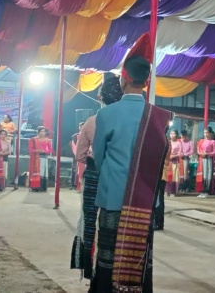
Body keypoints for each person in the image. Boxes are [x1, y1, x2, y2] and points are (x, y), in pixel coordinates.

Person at [87, 33, 171, 292]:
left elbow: (99, 158)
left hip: (113, 196)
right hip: (143, 203)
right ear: (146, 82)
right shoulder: (159, 117)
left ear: (124, 78)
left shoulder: (106, 114)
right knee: (136, 259)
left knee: (108, 258)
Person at [70, 76, 124, 280]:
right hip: (118, 173)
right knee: (114, 218)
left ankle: (89, 268)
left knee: (90, 219)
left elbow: (80, 155)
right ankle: (112, 268)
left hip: (94, 174)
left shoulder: (93, 121)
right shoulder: (125, 121)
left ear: (100, 96)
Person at [28, 126, 53, 192]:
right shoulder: (33, 139)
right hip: (36, 158)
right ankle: (34, 187)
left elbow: (50, 150)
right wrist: (37, 151)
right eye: (41, 131)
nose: (42, 133)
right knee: (36, 172)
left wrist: (44, 151)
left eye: (44, 131)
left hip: (44, 158)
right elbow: (31, 149)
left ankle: (42, 187)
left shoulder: (47, 140)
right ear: (38, 132)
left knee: (42, 172)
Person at [196, 127, 215, 198]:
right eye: (205, 133)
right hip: (203, 159)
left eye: (207, 133)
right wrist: (201, 154)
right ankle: (203, 190)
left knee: (208, 175)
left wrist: (208, 154)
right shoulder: (202, 141)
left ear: (210, 133)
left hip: (209, 159)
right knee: (203, 175)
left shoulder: (213, 142)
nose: (206, 134)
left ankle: (207, 191)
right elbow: (198, 150)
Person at [165, 130, 181, 197]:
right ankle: (167, 190)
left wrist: (174, 156)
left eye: (173, 133)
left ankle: (173, 191)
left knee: (174, 176)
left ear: (176, 134)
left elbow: (180, 153)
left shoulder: (178, 143)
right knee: (167, 176)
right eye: (171, 133)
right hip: (168, 161)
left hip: (174, 160)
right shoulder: (168, 142)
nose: (172, 135)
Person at [71, 122, 84, 190]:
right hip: (77, 155)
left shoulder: (87, 135)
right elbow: (73, 146)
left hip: (84, 155)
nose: (82, 127)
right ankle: (74, 184)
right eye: (80, 126)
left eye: (83, 126)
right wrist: (77, 154)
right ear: (79, 127)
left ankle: (81, 185)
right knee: (75, 169)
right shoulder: (75, 136)